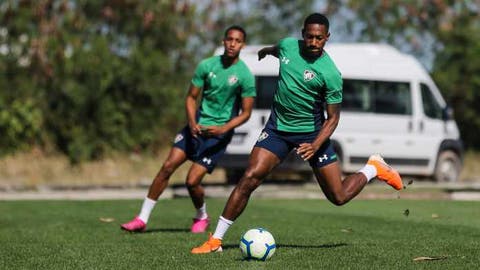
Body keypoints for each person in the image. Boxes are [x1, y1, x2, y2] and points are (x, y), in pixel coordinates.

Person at [191, 13, 403, 254]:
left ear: (327, 38)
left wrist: (315, 144)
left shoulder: (330, 73)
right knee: (249, 177)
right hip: (277, 130)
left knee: (339, 196)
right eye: (310, 37)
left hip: (312, 134)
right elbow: (276, 48)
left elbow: (333, 119)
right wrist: (265, 52)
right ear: (303, 34)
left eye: (319, 38)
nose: (314, 42)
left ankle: (373, 168)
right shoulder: (288, 46)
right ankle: (216, 241)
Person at [121, 25, 256, 233]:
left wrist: (223, 129)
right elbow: (191, 97)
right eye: (229, 39)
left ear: (242, 45)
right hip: (195, 127)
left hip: (217, 136)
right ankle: (142, 218)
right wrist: (192, 122)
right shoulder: (206, 65)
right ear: (223, 41)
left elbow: (246, 113)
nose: (232, 44)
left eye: (237, 41)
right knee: (167, 167)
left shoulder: (245, 75)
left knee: (192, 182)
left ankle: (202, 216)